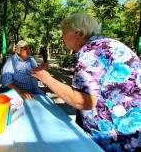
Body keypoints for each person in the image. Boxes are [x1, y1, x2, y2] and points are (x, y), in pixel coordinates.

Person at [31, 13, 141, 152]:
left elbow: (84, 101)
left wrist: (45, 77)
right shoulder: (108, 44)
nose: (61, 37)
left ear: (76, 33)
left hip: (117, 139)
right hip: (133, 133)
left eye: (64, 33)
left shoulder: (90, 50)